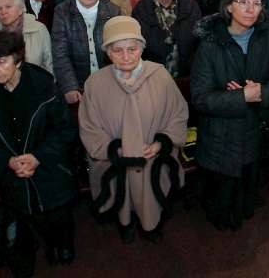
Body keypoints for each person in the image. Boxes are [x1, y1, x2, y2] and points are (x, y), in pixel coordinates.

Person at [0, 30, 78, 276]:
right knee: (25, 225)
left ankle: (62, 245)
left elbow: (65, 129)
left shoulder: (44, 87)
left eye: (1, 61)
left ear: (18, 59)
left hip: (50, 168)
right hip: (12, 174)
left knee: (59, 217)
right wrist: (6, 161)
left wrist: (38, 157)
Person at [78, 16, 188, 243]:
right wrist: (114, 150)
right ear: (107, 53)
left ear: (142, 48)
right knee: (122, 193)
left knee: (151, 195)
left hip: (152, 158)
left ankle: (151, 225)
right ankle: (125, 223)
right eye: (117, 50)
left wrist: (160, 144)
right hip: (115, 161)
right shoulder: (95, 84)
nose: (126, 56)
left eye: (132, 49)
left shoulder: (160, 76)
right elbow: (89, 127)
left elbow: (177, 115)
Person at [190, 0, 269, 230]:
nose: (250, 9)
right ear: (228, 7)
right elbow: (200, 98)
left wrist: (261, 92)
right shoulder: (210, 45)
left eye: (257, 3)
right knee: (221, 198)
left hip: (253, 130)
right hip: (220, 135)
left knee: (247, 190)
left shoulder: (267, 37)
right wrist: (242, 96)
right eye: (243, 2)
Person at [52, 0, 122, 104]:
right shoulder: (62, 12)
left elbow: (119, 50)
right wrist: (69, 86)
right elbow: (60, 53)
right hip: (78, 82)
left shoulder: (113, 11)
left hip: (109, 81)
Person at [131, 0, 201, 81]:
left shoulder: (190, 5)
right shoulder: (141, 10)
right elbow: (138, 44)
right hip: (153, 73)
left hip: (187, 73)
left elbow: (198, 39)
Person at [0, 0, 52, 74]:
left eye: (8, 7)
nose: (3, 12)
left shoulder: (39, 29)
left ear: (20, 9)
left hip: (35, 81)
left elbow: (49, 64)